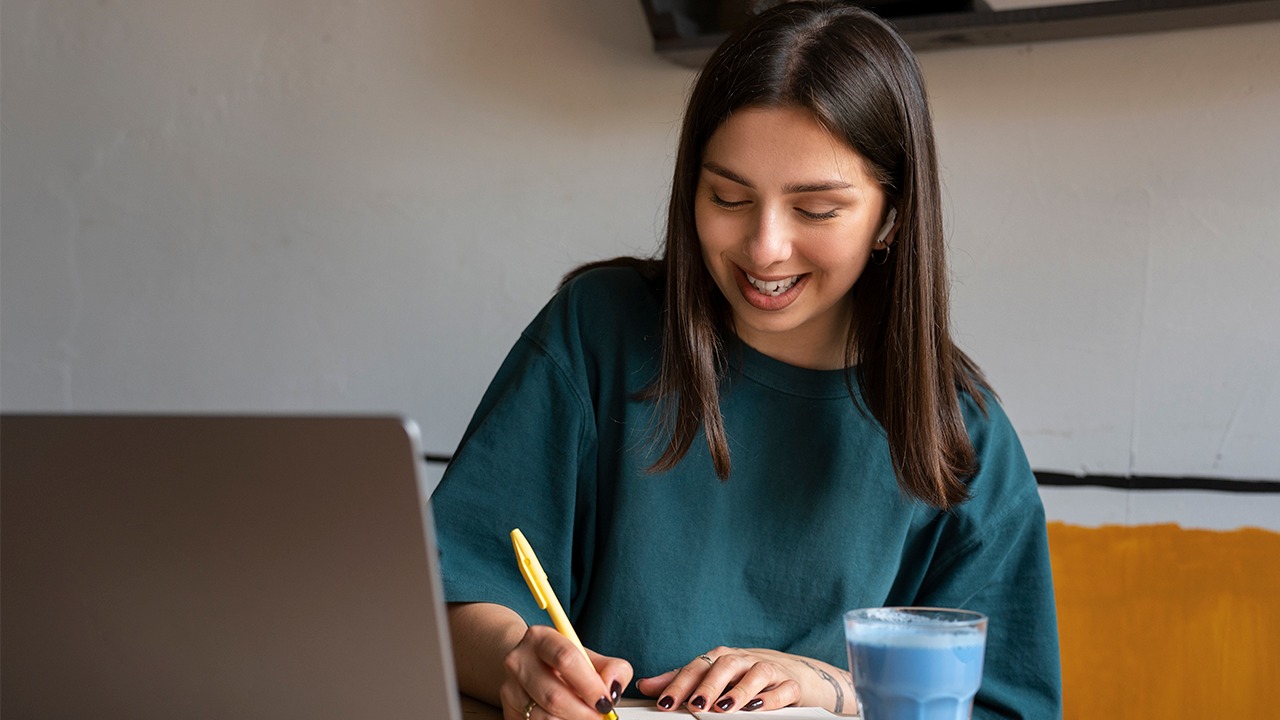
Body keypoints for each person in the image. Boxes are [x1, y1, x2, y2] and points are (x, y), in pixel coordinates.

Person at [431, 2, 1063, 719]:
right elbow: (453, 590)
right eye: (728, 196)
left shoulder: (962, 434)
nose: (764, 248)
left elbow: (1005, 704)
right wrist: (519, 662)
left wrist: (836, 689)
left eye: (816, 210)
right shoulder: (598, 332)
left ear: (891, 216)